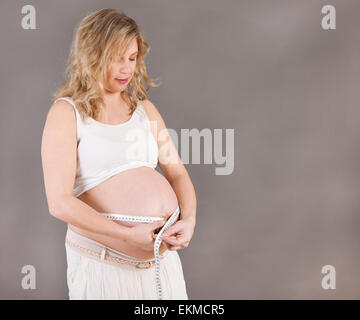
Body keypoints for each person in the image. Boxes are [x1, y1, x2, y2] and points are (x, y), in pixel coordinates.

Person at [41, 8, 196, 300]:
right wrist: (126, 235)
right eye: (116, 58)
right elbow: (59, 203)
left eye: (132, 58)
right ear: (92, 56)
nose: (127, 69)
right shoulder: (66, 113)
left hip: (162, 268)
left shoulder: (145, 110)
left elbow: (177, 173)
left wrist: (189, 220)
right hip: (104, 269)